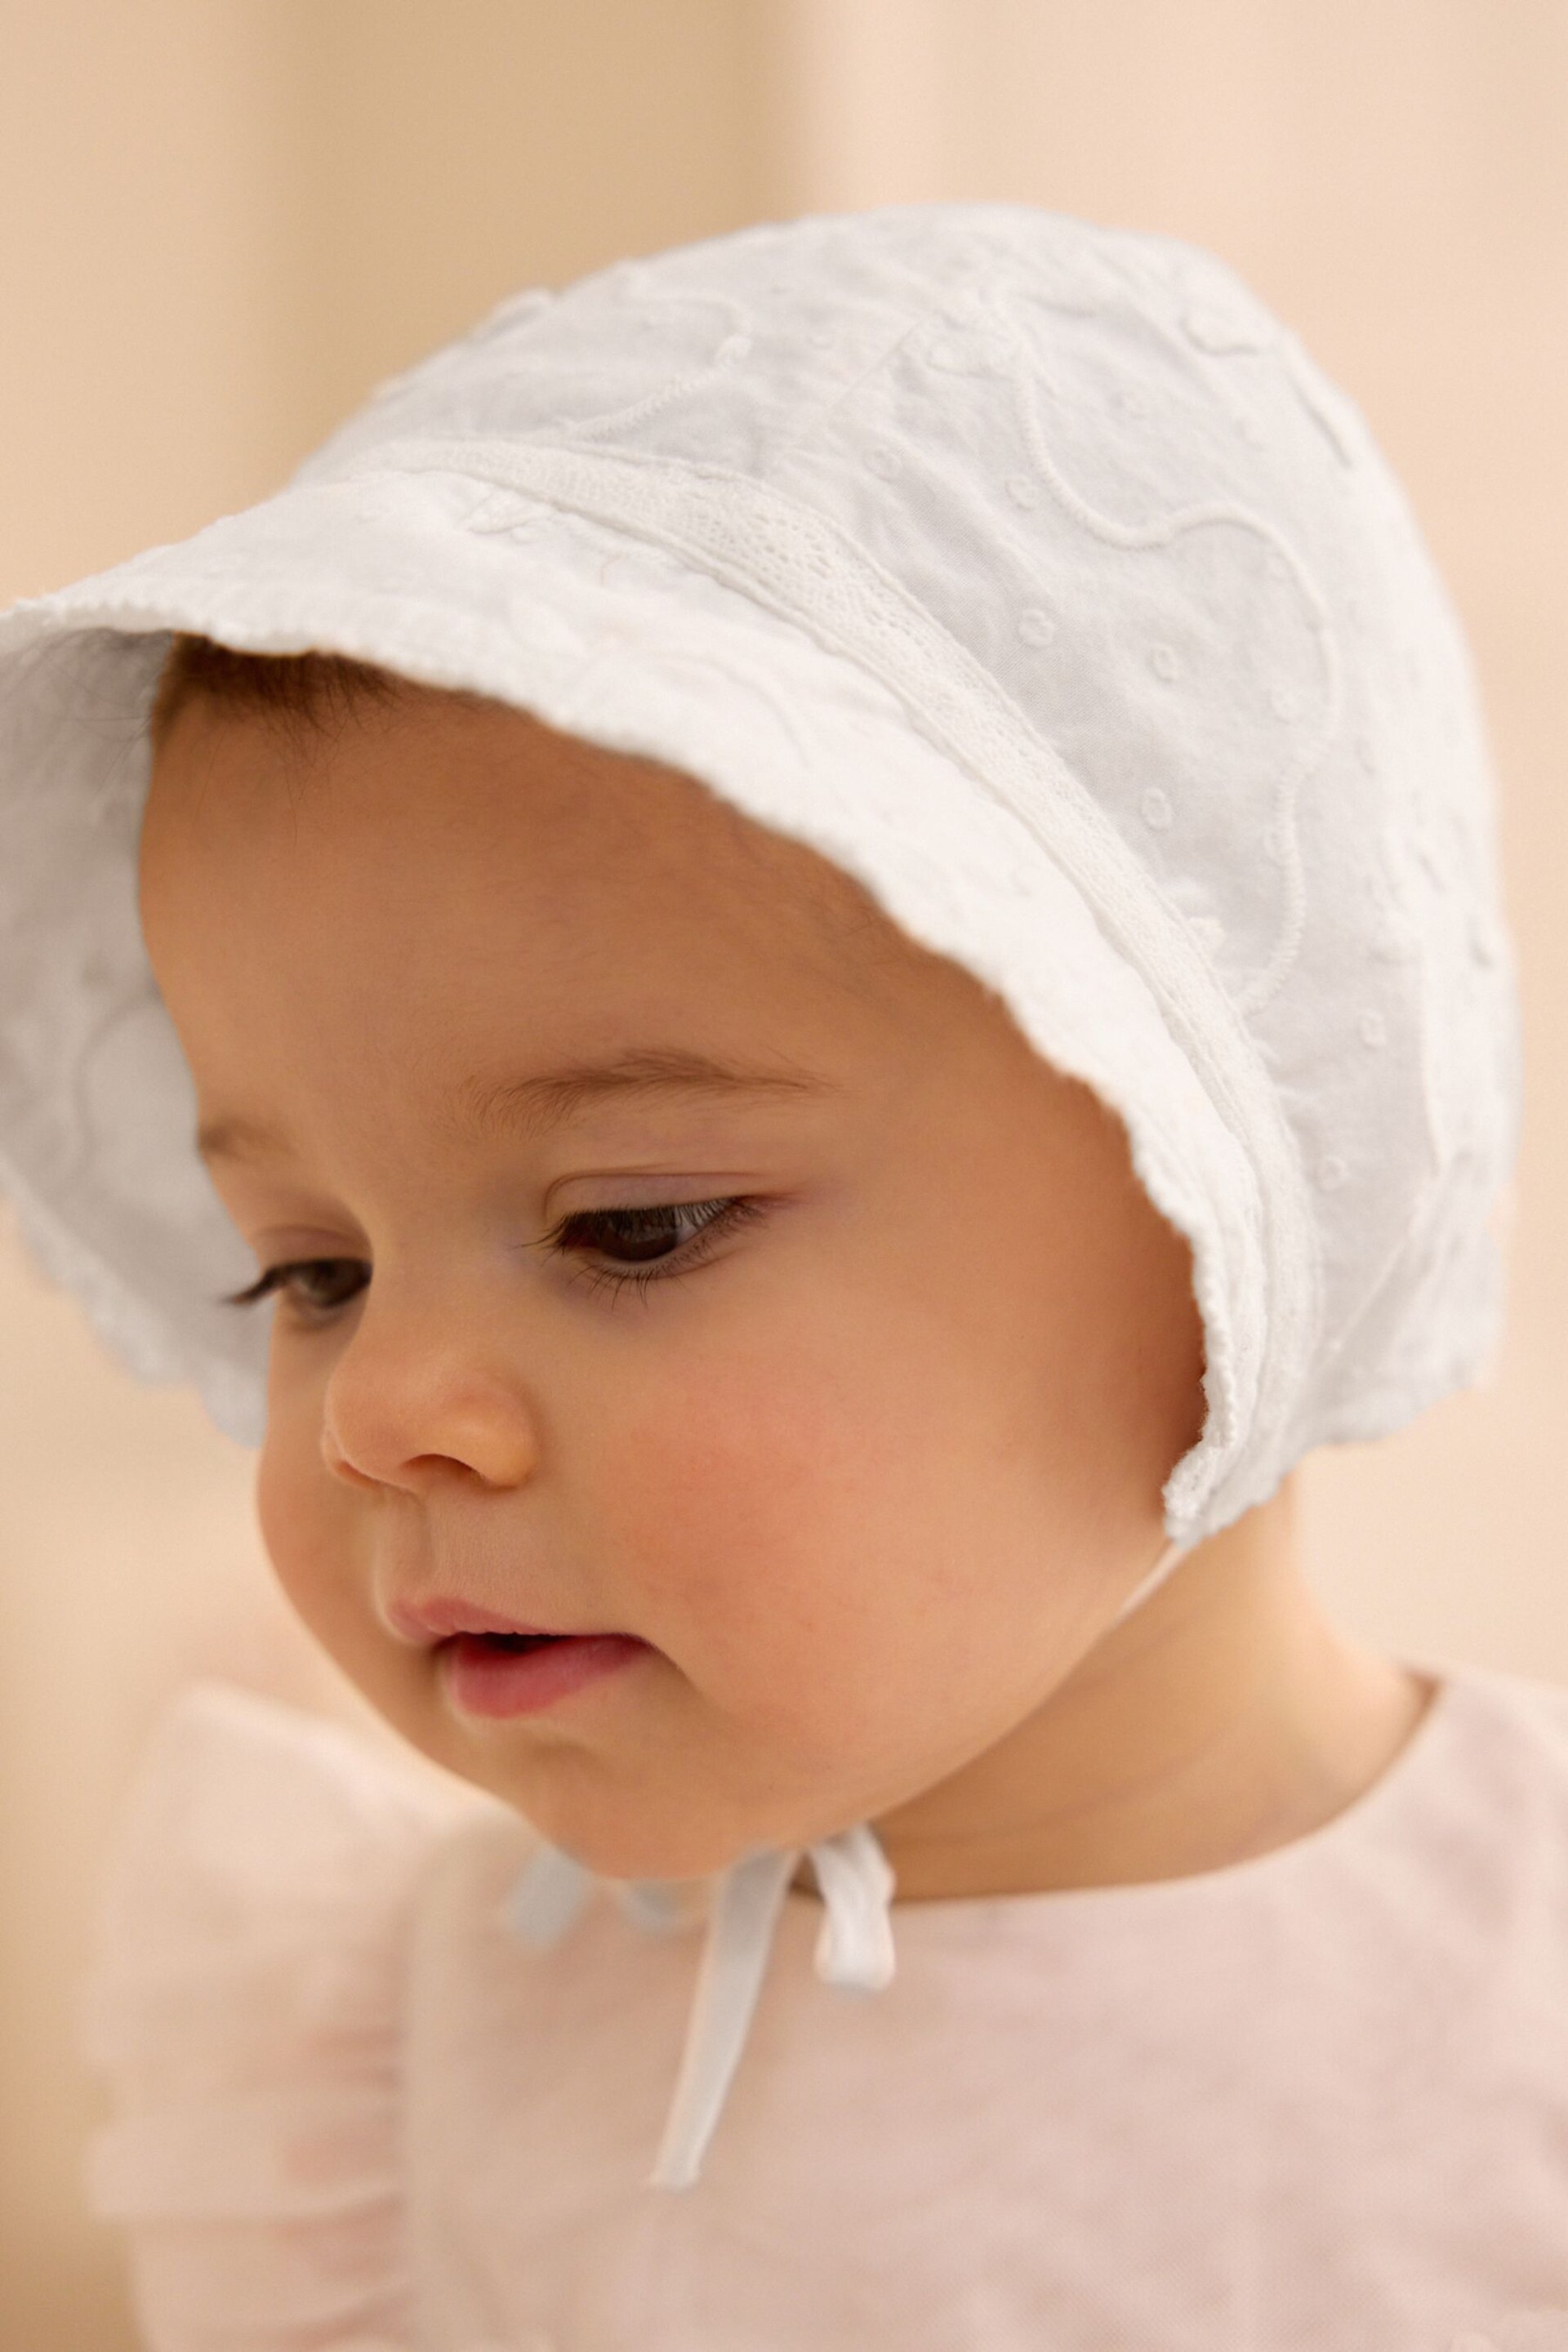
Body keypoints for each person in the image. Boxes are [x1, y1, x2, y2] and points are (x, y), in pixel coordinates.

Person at [0, 205, 1559, 2350]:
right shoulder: (398, 2065)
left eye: (629, 1226)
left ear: (1232, 1211)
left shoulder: (1517, 2028)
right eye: (312, 1270)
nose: (378, 1409)